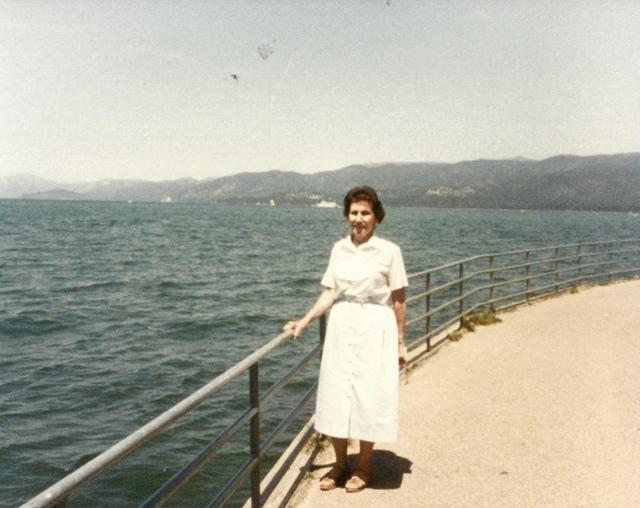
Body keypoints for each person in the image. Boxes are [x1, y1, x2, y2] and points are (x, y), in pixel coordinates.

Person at [283, 185, 408, 493]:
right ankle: (340, 464)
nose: (359, 218)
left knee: (369, 395)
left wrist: (400, 342)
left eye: (365, 213)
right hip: (342, 324)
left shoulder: (389, 251)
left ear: (376, 217)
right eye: (353, 212)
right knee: (336, 393)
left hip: (376, 326)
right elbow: (330, 292)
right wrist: (305, 321)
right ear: (346, 216)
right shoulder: (339, 249)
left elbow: (400, 298)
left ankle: (364, 466)